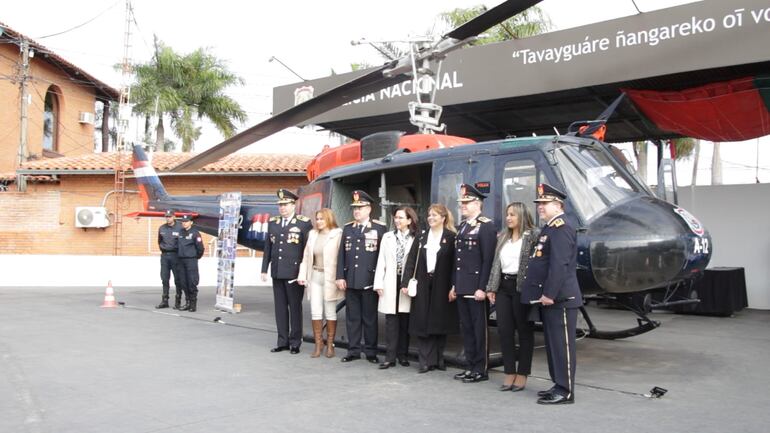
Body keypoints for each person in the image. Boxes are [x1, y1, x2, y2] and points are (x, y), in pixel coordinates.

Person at [521, 183, 583, 405]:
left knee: (563, 346)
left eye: (545, 203)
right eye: (539, 203)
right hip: (550, 298)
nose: (540, 207)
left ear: (558, 205)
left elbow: (559, 265)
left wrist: (549, 293)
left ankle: (565, 391)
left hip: (560, 298)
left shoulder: (562, 227)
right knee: (554, 345)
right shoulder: (550, 228)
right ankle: (558, 384)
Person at [486, 202, 540, 392]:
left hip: (522, 288)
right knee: (504, 330)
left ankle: (522, 373)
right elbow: (496, 265)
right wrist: (491, 287)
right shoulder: (503, 238)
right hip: (503, 287)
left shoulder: (533, 235)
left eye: (512, 215)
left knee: (524, 331)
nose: (508, 218)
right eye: (507, 214)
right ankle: (509, 371)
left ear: (522, 216)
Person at [401, 204, 459, 373]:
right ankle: (425, 360)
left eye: (435, 215)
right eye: (429, 214)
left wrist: (454, 286)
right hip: (423, 282)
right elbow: (411, 260)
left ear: (443, 218)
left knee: (440, 321)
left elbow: (455, 264)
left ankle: (438, 359)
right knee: (422, 321)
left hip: (442, 283)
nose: (431, 218)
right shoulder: (421, 237)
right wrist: (405, 283)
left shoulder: (451, 237)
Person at [452, 184, 497, 383]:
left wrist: (483, 287)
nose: (462, 205)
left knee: (479, 330)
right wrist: (454, 285)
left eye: (466, 202)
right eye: (462, 202)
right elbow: (458, 260)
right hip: (462, 285)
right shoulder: (462, 226)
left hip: (476, 287)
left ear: (477, 203)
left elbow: (488, 259)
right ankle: (470, 365)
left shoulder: (486, 226)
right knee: (467, 329)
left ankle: (481, 368)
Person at [336, 190, 387, 364]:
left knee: (370, 319)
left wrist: (380, 281)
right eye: (354, 208)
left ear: (369, 208)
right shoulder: (348, 228)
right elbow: (341, 254)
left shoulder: (380, 228)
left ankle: (371, 351)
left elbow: (383, 257)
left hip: (369, 281)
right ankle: (354, 350)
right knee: (352, 318)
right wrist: (340, 276)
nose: (356, 211)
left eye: (360, 207)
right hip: (351, 280)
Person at [261, 189, 312, 354]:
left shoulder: (303, 223)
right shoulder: (273, 223)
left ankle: (295, 342)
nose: (282, 208)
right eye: (280, 205)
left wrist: (304, 273)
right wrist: (264, 269)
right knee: (280, 308)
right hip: (277, 271)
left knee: (295, 308)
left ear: (293, 205)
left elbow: (307, 250)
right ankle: (282, 341)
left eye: (285, 204)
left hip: (294, 273)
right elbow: (268, 247)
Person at [374, 206, 417, 369]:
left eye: (401, 218)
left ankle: (403, 355)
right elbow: (381, 261)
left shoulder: (416, 238)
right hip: (390, 280)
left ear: (409, 220)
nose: (397, 221)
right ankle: (389, 357)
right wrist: (378, 283)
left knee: (405, 320)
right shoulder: (387, 237)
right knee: (391, 320)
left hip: (406, 282)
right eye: (396, 217)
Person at [298, 208, 344, 358]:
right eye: (317, 219)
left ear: (329, 219)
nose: (318, 222)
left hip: (330, 277)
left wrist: (340, 277)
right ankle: (319, 344)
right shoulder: (312, 235)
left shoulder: (337, 234)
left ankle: (330, 344)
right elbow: (306, 257)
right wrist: (302, 275)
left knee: (330, 311)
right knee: (315, 310)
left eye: (322, 219)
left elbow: (341, 259)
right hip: (315, 276)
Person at [156, 210, 185, 310]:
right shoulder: (162, 228)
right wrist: (164, 249)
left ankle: (178, 301)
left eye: (170, 216)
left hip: (176, 256)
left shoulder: (180, 227)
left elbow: (183, 242)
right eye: (166, 217)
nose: (168, 218)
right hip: (164, 256)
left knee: (178, 279)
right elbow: (159, 241)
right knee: (164, 278)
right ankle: (165, 300)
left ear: (174, 217)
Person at [177, 214, 204, 312]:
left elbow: (200, 248)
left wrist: (195, 257)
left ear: (191, 222)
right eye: (183, 222)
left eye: (186, 221)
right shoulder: (180, 232)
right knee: (183, 282)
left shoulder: (195, 233)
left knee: (192, 282)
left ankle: (193, 304)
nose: (184, 223)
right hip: (181, 260)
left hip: (191, 260)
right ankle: (187, 303)